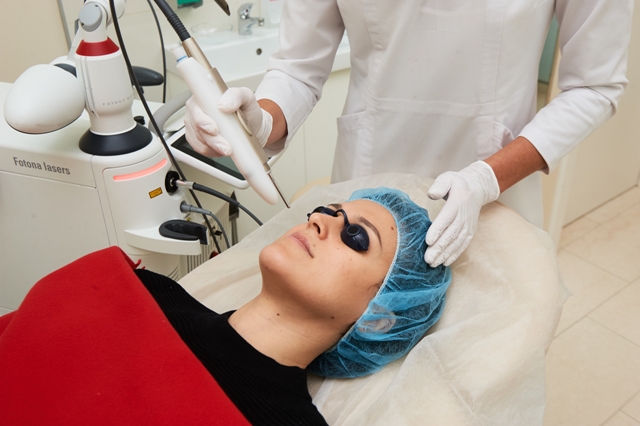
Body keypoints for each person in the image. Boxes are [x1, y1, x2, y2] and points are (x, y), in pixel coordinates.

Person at [183, 0, 632, 268]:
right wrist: (260, 122)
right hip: (366, 187)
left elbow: (593, 86)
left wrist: (484, 180)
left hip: (496, 196)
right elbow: (299, 68)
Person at [0, 187, 451, 426]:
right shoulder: (144, 289)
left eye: (356, 236)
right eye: (327, 209)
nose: (319, 220)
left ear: (378, 319)